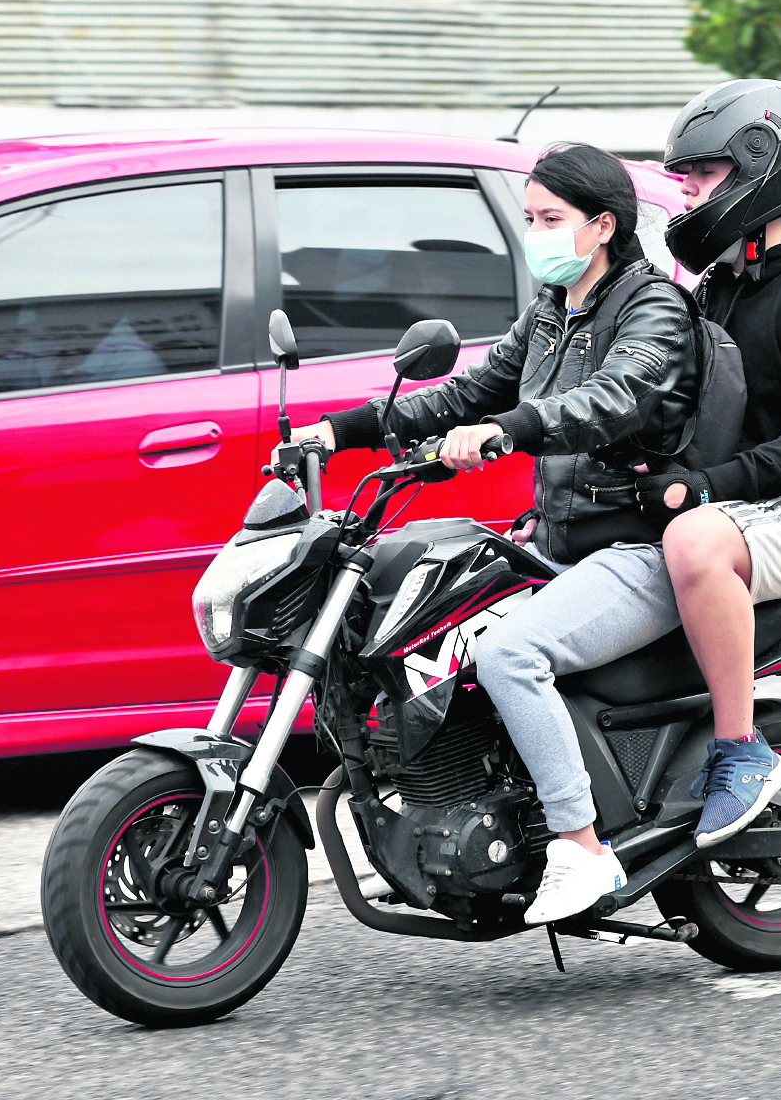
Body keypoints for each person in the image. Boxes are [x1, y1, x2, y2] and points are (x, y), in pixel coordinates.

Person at [291, 142, 700, 923]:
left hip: (638, 543)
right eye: (528, 219)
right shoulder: (551, 313)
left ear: (603, 224)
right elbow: (465, 392)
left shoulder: (652, 307)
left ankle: (580, 847)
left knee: (509, 652)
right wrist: (335, 432)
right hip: (557, 539)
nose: (534, 233)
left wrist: (506, 432)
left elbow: (613, 399)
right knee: (423, 615)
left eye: (551, 218)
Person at [638, 79, 781, 847]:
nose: (685, 193)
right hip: (741, 506)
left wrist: (705, 486)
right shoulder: (715, 289)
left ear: (756, 168)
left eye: (700, 175)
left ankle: (740, 752)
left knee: (692, 542)